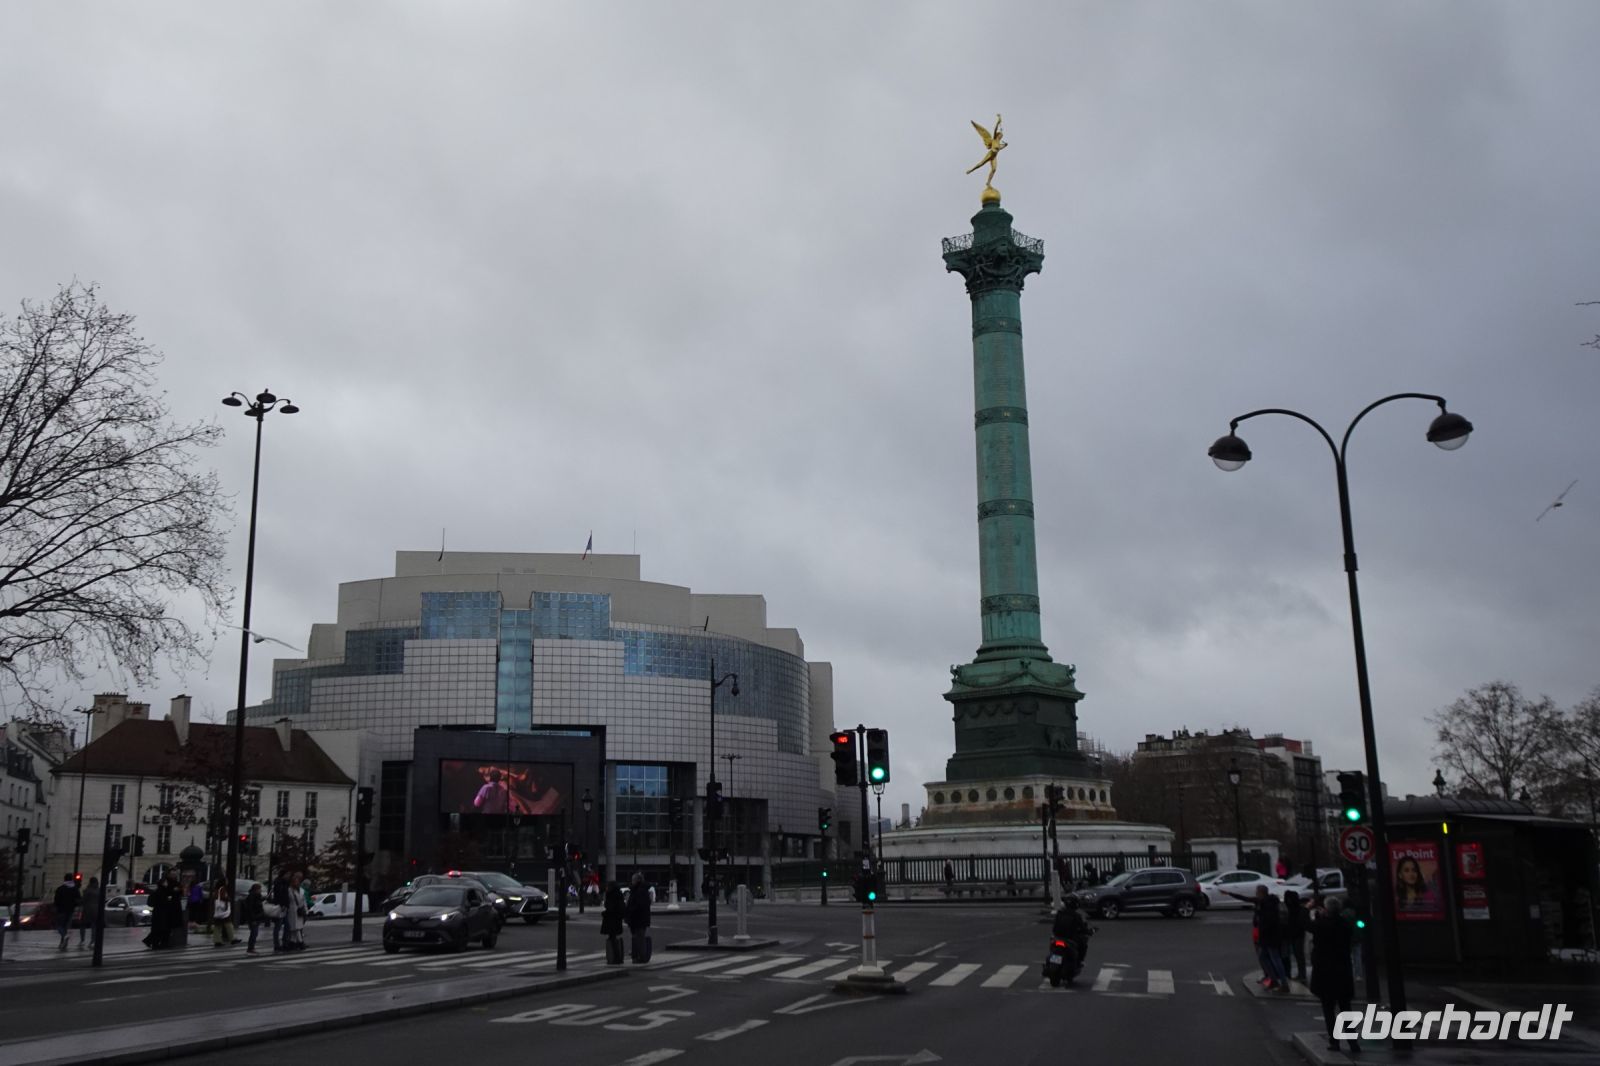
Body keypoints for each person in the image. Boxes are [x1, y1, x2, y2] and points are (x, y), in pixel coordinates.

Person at [1309, 897, 1357, 1053]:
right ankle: (1353, 1042)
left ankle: (1334, 1041)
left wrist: (1308, 909)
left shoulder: (1321, 925)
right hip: (1343, 971)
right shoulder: (1345, 925)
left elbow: (1306, 925)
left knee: (1329, 1010)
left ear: (1327, 910)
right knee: (1345, 1009)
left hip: (1326, 973)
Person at [1223, 884, 1289, 992]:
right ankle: (1274, 980)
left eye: (1257, 892)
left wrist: (1261, 925)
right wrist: (1230, 894)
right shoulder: (1264, 902)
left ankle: (1282, 983)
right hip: (1268, 936)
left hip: (1270, 936)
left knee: (1274, 958)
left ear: (1261, 893)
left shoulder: (1267, 904)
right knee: (1265, 957)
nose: (1256, 894)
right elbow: (1245, 898)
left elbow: (1269, 921)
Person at [1051, 894, 1091, 970]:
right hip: (1069, 939)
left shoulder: (1059, 913)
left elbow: (1055, 925)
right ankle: (1080, 961)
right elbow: (1083, 928)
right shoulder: (1076, 916)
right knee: (1083, 944)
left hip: (1057, 937)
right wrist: (1088, 931)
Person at [1282, 889, 1307, 982]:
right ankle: (1302, 973)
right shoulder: (1299, 909)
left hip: (1295, 934)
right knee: (1298, 955)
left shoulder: (1292, 910)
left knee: (1298, 954)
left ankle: (1302, 974)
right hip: (1297, 934)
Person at [625, 873, 652, 963]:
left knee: (639, 938)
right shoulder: (640, 890)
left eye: (633, 880)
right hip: (639, 919)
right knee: (638, 938)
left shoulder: (639, 891)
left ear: (637, 881)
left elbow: (638, 906)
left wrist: (630, 911)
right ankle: (638, 955)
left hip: (638, 919)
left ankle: (641, 957)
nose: (632, 882)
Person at [52, 874, 80, 951]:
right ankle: (63, 943)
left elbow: (56, 900)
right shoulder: (75, 889)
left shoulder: (60, 889)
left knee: (59, 926)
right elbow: (78, 900)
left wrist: (55, 907)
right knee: (66, 927)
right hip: (70, 910)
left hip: (61, 910)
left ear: (64, 880)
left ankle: (64, 936)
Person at [144, 877, 173, 949]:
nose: (167, 884)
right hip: (159, 913)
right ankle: (155, 943)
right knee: (159, 929)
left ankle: (154, 942)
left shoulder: (165, 891)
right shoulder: (158, 892)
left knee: (161, 929)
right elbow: (151, 902)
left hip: (163, 913)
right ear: (162, 883)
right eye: (165, 882)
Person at [600, 883, 625, 965]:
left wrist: (604, 913)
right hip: (617, 920)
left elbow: (610, 907)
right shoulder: (619, 895)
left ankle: (615, 957)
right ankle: (617, 957)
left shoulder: (611, 895)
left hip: (611, 920)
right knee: (613, 938)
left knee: (612, 939)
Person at [283, 871, 308, 951]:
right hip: (293, 910)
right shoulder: (290, 890)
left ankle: (295, 943)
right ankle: (298, 943)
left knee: (296, 928)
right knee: (295, 928)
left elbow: (303, 901)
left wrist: (305, 909)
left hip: (298, 910)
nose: (297, 883)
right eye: (295, 881)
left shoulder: (299, 890)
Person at [240, 883, 266, 955]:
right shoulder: (252, 897)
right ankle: (251, 948)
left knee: (254, 933)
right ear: (256, 889)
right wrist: (253, 919)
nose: (260, 890)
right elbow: (250, 909)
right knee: (254, 933)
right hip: (254, 918)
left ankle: (251, 948)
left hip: (256, 917)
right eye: (259, 889)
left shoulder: (256, 896)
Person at [270, 870, 292, 952]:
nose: (288, 876)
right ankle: (278, 944)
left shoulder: (284, 883)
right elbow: (280, 895)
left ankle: (283, 943)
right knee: (278, 927)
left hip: (284, 907)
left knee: (286, 926)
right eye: (287, 874)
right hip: (280, 907)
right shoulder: (280, 883)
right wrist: (282, 904)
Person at [78, 877, 101, 950]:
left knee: (82, 925)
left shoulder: (87, 890)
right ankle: (92, 941)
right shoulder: (99, 890)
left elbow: (83, 900)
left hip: (87, 909)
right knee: (94, 926)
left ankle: (82, 940)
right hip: (97, 910)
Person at [211, 881, 235, 948]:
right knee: (228, 924)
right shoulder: (222, 889)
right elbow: (223, 897)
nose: (227, 882)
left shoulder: (216, 889)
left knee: (218, 926)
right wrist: (228, 899)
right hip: (222, 911)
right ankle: (232, 938)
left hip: (217, 911)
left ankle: (217, 941)